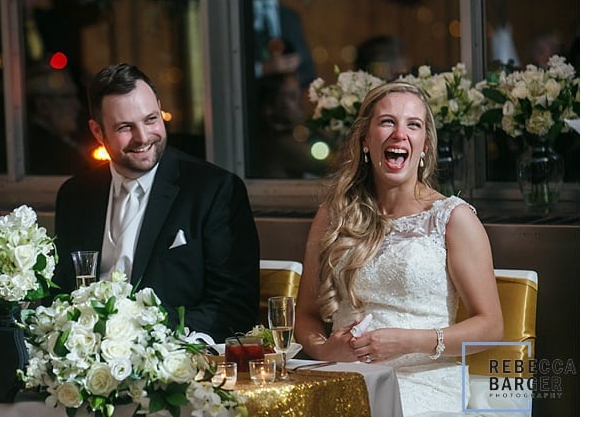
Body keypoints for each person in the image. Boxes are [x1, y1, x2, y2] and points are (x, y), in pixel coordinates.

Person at [295, 81, 503, 415]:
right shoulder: (332, 215)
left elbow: (491, 327)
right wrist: (326, 350)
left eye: (413, 125)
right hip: (341, 376)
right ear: (366, 139)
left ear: (424, 146)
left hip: (422, 383)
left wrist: (408, 341)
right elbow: (305, 315)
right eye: (387, 122)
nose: (399, 134)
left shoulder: (452, 219)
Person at [53, 63, 259, 341]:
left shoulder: (213, 190)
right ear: (98, 132)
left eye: (151, 119)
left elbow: (233, 307)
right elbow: (60, 293)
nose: (143, 137)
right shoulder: (75, 195)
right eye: (126, 127)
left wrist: (149, 336)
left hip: (172, 356)